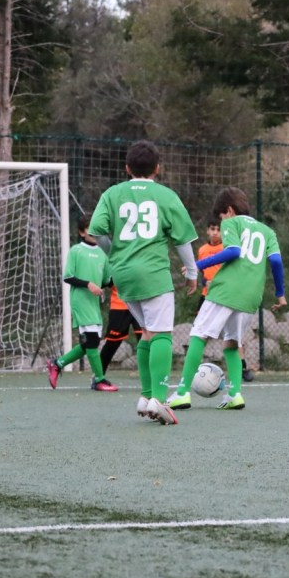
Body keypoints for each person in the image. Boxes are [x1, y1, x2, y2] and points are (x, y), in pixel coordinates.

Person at [89, 140, 198, 425]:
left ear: (127, 168)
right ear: (157, 169)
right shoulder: (165, 195)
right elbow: (183, 238)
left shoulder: (112, 193)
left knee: (147, 332)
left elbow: (97, 230)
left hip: (123, 274)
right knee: (161, 333)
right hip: (152, 273)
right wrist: (192, 271)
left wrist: (114, 252)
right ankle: (159, 400)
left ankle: (146, 395)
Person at [167, 187, 286, 411]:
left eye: (221, 217)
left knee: (198, 334)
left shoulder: (232, 223)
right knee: (232, 343)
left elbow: (233, 251)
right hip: (251, 296)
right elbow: (277, 263)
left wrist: (196, 265)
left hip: (226, 290)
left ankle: (182, 393)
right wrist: (280, 294)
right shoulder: (267, 231)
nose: (221, 222)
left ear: (229, 211)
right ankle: (235, 394)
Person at [46, 214, 117, 392]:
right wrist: (88, 284)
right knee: (92, 340)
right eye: (89, 228)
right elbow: (68, 276)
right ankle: (99, 379)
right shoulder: (76, 251)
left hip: (94, 302)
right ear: (82, 232)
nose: (93, 231)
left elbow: (107, 280)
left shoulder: (103, 253)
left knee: (89, 343)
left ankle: (57, 364)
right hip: (80, 300)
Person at [197, 217, 255, 382]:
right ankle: (195, 365)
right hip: (207, 296)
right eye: (212, 229)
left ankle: (242, 367)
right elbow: (203, 272)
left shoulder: (229, 248)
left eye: (218, 229)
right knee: (199, 332)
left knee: (233, 335)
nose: (215, 233)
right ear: (207, 231)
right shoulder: (202, 250)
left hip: (226, 296)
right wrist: (204, 282)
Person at [98, 285, 142, 376]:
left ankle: (150, 374)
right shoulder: (111, 270)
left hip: (142, 303)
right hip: (120, 305)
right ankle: (99, 376)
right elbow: (104, 280)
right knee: (112, 343)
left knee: (146, 340)